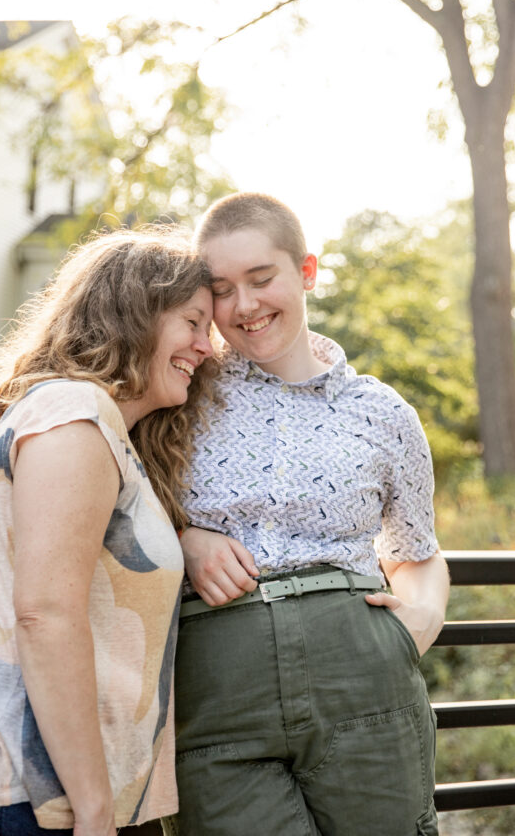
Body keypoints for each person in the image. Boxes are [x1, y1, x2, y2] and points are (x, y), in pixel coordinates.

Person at [0, 229, 215, 836]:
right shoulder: (75, 418)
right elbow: (44, 616)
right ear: (136, 314)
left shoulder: (88, 424)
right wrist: (92, 810)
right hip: (9, 800)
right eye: (193, 322)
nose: (207, 346)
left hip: (10, 798)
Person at [166, 193, 449, 836]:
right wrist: (183, 538)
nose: (244, 306)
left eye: (261, 279)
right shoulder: (181, 392)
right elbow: (118, 501)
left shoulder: (385, 414)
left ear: (307, 272)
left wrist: (419, 619)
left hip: (365, 682)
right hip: (216, 697)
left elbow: (416, 550)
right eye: (221, 289)